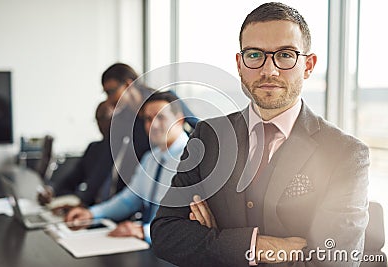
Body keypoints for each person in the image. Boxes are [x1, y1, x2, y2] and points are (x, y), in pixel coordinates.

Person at [151, 2, 369, 267]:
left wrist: (214, 240)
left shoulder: (345, 154)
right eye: (254, 55)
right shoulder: (208, 136)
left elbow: (334, 262)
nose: (269, 70)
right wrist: (256, 246)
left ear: (309, 65)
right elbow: (165, 233)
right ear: (240, 64)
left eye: (286, 55)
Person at [65, 91, 189, 243]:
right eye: (148, 119)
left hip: (173, 247)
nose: (153, 125)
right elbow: (129, 200)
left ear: (179, 120)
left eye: (160, 117)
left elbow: (192, 220)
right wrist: (91, 214)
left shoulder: (193, 160)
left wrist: (143, 231)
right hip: (147, 245)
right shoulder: (150, 159)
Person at [37, 101, 126, 207]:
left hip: (111, 210)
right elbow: (73, 178)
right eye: (97, 120)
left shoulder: (125, 150)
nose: (100, 124)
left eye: (104, 118)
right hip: (88, 209)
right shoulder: (94, 148)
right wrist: (52, 191)